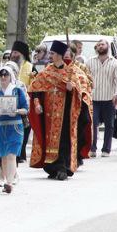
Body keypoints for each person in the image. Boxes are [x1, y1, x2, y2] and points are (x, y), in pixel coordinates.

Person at [29, 41, 90, 178]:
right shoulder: (46, 72)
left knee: (64, 140)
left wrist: (71, 89)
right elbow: (35, 89)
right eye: (50, 53)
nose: (50, 56)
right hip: (48, 114)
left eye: (52, 53)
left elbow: (78, 93)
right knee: (48, 139)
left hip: (65, 114)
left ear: (60, 55)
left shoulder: (70, 72)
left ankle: (63, 167)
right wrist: (37, 104)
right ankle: (51, 168)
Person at [0, 66, 29, 194]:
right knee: (3, 155)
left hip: (15, 126)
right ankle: (7, 179)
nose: (3, 77)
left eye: (6, 75)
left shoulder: (17, 91)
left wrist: (16, 111)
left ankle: (9, 183)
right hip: (0, 126)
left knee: (11, 155)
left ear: (10, 76)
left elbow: (26, 109)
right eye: (1, 75)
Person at [85, 40, 117, 156]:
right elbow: (85, 78)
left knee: (109, 125)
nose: (100, 46)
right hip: (94, 98)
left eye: (103, 44)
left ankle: (106, 149)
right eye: (99, 45)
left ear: (107, 46)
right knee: (93, 123)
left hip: (109, 98)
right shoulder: (90, 61)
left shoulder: (114, 62)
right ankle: (92, 148)